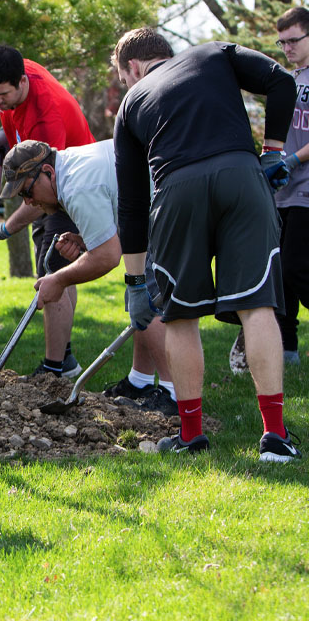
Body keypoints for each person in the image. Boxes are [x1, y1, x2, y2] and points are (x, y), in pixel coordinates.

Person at [112, 27, 300, 461]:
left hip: (176, 191)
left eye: (124, 78)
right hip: (242, 176)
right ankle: (275, 437)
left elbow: (134, 203)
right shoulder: (214, 52)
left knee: (180, 318)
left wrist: (135, 282)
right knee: (258, 307)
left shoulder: (132, 103)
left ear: (134, 68)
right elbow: (282, 81)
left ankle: (191, 436)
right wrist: (272, 151)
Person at [0, 138, 176, 415]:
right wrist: (87, 241)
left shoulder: (76, 187)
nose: (29, 202)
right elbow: (113, 223)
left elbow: (107, 257)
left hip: (167, 204)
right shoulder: (70, 167)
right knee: (139, 291)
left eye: (28, 192)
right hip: (151, 206)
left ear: (48, 172)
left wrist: (58, 280)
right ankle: (140, 381)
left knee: (149, 296)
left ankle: (174, 394)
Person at [0, 44, 95, 380]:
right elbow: (11, 111)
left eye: (3, 95)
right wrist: (9, 133)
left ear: (23, 81)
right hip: (50, 179)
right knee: (56, 266)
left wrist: (5, 228)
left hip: (71, 185)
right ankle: (66, 357)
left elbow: (41, 192)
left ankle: (54, 368)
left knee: (52, 267)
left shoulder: (47, 117)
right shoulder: (14, 70)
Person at [273, 7, 309, 365]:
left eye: (293, 40)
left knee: (296, 266)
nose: (287, 47)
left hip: (306, 188)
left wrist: (295, 159)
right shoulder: (290, 79)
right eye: (282, 42)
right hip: (284, 190)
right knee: (281, 271)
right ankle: (287, 349)